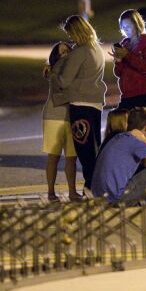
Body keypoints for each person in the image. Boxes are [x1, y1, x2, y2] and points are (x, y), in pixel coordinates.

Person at [91, 107, 146, 223]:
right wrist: (143, 139)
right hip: (115, 199)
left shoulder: (118, 138)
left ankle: (142, 206)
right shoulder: (134, 141)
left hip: (99, 198)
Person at [53, 15, 107, 189]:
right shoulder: (96, 49)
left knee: (85, 152)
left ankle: (91, 188)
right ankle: (98, 186)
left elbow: (64, 81)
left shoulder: (80, 51)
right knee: (94, 149)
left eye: (70, 33)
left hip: (80, 105)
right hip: (95, 104)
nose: (70, 38)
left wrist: (54, 70)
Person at [42, 41, 80, 202]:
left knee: (72, 157)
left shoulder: (75, 71)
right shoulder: (54, 72)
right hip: (54, 116)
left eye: (67, 51)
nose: (65, 54)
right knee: (54, 156)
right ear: (56, 57)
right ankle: (51, 192)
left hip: (71, 117)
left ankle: (72, 192)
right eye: (61, 52)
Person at [110, 9, 146, 133]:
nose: (125, 29)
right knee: (120, 131)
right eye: (123, 27)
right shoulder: (124, 44)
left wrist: (127, 56)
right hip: (127, 96)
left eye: (128, 26)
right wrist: (118, 61)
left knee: (141, 137)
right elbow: (118, 73)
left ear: (137, 24)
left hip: (143, 95)